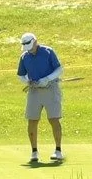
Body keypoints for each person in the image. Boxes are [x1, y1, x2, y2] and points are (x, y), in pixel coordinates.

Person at [17, 31, 64, 166]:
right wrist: (28, 82)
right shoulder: (24, 56)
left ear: (35, 42)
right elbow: (20, 75)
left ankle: (58, 150)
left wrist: (47, 79)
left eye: (30, 46)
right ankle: (34, 152)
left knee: (53, 119)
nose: (29, 50)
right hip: (34, 91)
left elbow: (59, 69)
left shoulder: (48, 52)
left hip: (50, 88)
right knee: (32, 120)